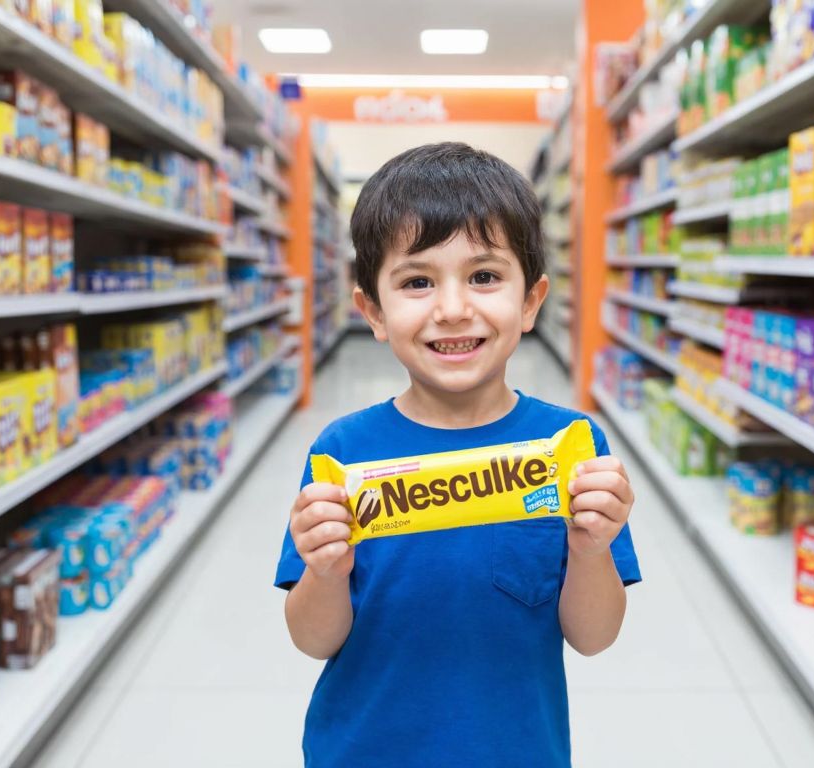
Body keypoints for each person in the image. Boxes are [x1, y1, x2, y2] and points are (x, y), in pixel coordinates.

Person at [274, 142, 641, 767]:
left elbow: (594, 637)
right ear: (372, 310)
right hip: (360, 751)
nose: (451, 309)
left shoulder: (567, 450)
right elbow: (312, 641)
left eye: (484, 276)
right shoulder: (342, 453)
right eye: (417, 281)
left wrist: (591, 548)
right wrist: (325, 572)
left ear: (530, 302)